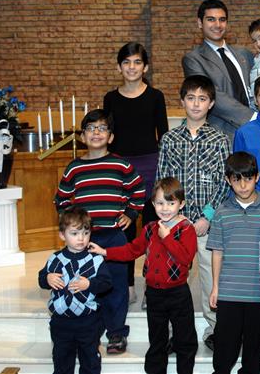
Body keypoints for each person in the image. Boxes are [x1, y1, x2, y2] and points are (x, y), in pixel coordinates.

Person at [54, 109, 145, 355]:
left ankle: (116, 333)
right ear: (82, 136)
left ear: (111, 137)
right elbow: (61, 199)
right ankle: (90, 332)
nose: (96, 132)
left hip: (114, 237)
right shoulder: (74, 168)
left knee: (116, 286)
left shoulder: (121, 165)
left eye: (102, 128)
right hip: (85, 239)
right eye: (91, 128)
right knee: (87, 284)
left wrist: (131, 214)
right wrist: (72, 224)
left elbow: (138, 191)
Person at [89, 177, 198, 374]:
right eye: (160, 203)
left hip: (178, 293)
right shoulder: (150, 229)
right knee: (157, 340)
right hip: (154, 294)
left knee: (185, 340)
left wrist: (167, 239)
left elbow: (185, 259)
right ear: (153, 204)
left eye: (171, 203)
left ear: (181, 204)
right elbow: (131, 250)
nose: (165, 208)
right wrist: (105, 252)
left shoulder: (186, 229)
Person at [155, 74, 230, 351]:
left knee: (211, 278)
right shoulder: (169, 139)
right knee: (175, 280)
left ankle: (216, 329)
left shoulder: (220, 139)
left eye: (202, 98)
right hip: (176, 223)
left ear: (211, 104)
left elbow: (224, 182)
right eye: (191, 98)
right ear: (182, 101)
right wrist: (174, 218)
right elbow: (162, 180)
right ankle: (176, 332)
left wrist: (206, 217)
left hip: (207, 224)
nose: (196, 104)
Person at [103, 41, 168, 308]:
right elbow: (108, 137)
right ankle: (128, 285)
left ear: (146, 67)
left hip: (151, 167)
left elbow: (163, 136)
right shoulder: (110, 98)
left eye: (137, 62)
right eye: (127, 62)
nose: (132, 67)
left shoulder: (156, 96)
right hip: (120, 170)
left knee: (153, 229)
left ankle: (152, 284)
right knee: (125, 231)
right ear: (119, 67)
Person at [207, 152, 260, 374]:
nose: (243, 185)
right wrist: (215, 287)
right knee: (224, 351)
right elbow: (217, 251)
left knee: (253, 353)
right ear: (228, 180)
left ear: (257, 177)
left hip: (258, 293)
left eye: (248, 178)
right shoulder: (221, 212)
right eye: (236, 180)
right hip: (228, 293)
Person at [39, 208, 112, 374]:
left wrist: (90, 284)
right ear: (62, 235)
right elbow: (41, 279)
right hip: (61, 322)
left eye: (86, 233)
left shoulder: (95, 259)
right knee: (62, 361)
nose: (81, 238)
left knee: (90, 361)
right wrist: (47, 278)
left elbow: (107, 283)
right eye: (74, 233)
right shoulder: (55, 259)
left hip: (88, 321)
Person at [182, 0, 254, 139]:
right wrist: (253, 117)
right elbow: (211, 94)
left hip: (256, 132)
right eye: (211, 19)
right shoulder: (193, 59)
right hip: (220, 136)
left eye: (222, 20)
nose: (217, 25)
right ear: (200, 23)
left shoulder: (244, 54)